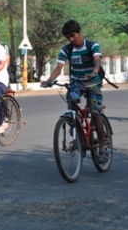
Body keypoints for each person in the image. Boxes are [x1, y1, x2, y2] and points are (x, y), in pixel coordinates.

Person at [41, 19, 109, 163]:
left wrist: (94, 71)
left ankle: (102, 148)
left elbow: (97, 60)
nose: (71, 39)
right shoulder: (66, 50)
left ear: (80, 33)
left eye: (73, 35)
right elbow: (59, 68)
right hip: (76, 83)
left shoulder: (92, 45)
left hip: (93, 82)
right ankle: (78, 137)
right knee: (72, 103)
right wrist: (48, 81)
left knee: (95, 113)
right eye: (68, 37)